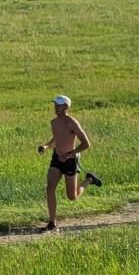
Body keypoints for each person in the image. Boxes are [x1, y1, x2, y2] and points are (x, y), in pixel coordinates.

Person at [37, 95, 103, 230]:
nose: (56, 107)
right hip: (57, 159)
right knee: (50, 188)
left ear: (66, 107)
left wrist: (69, 154)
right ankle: (52, 222)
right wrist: (46, 146)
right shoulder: (53, 122)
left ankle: (89, 180)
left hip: (70, 161)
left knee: (72, 196)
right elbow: (57, 138)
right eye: (55, 104)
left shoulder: (72, 123)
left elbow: (86, 144)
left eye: (59, 105)